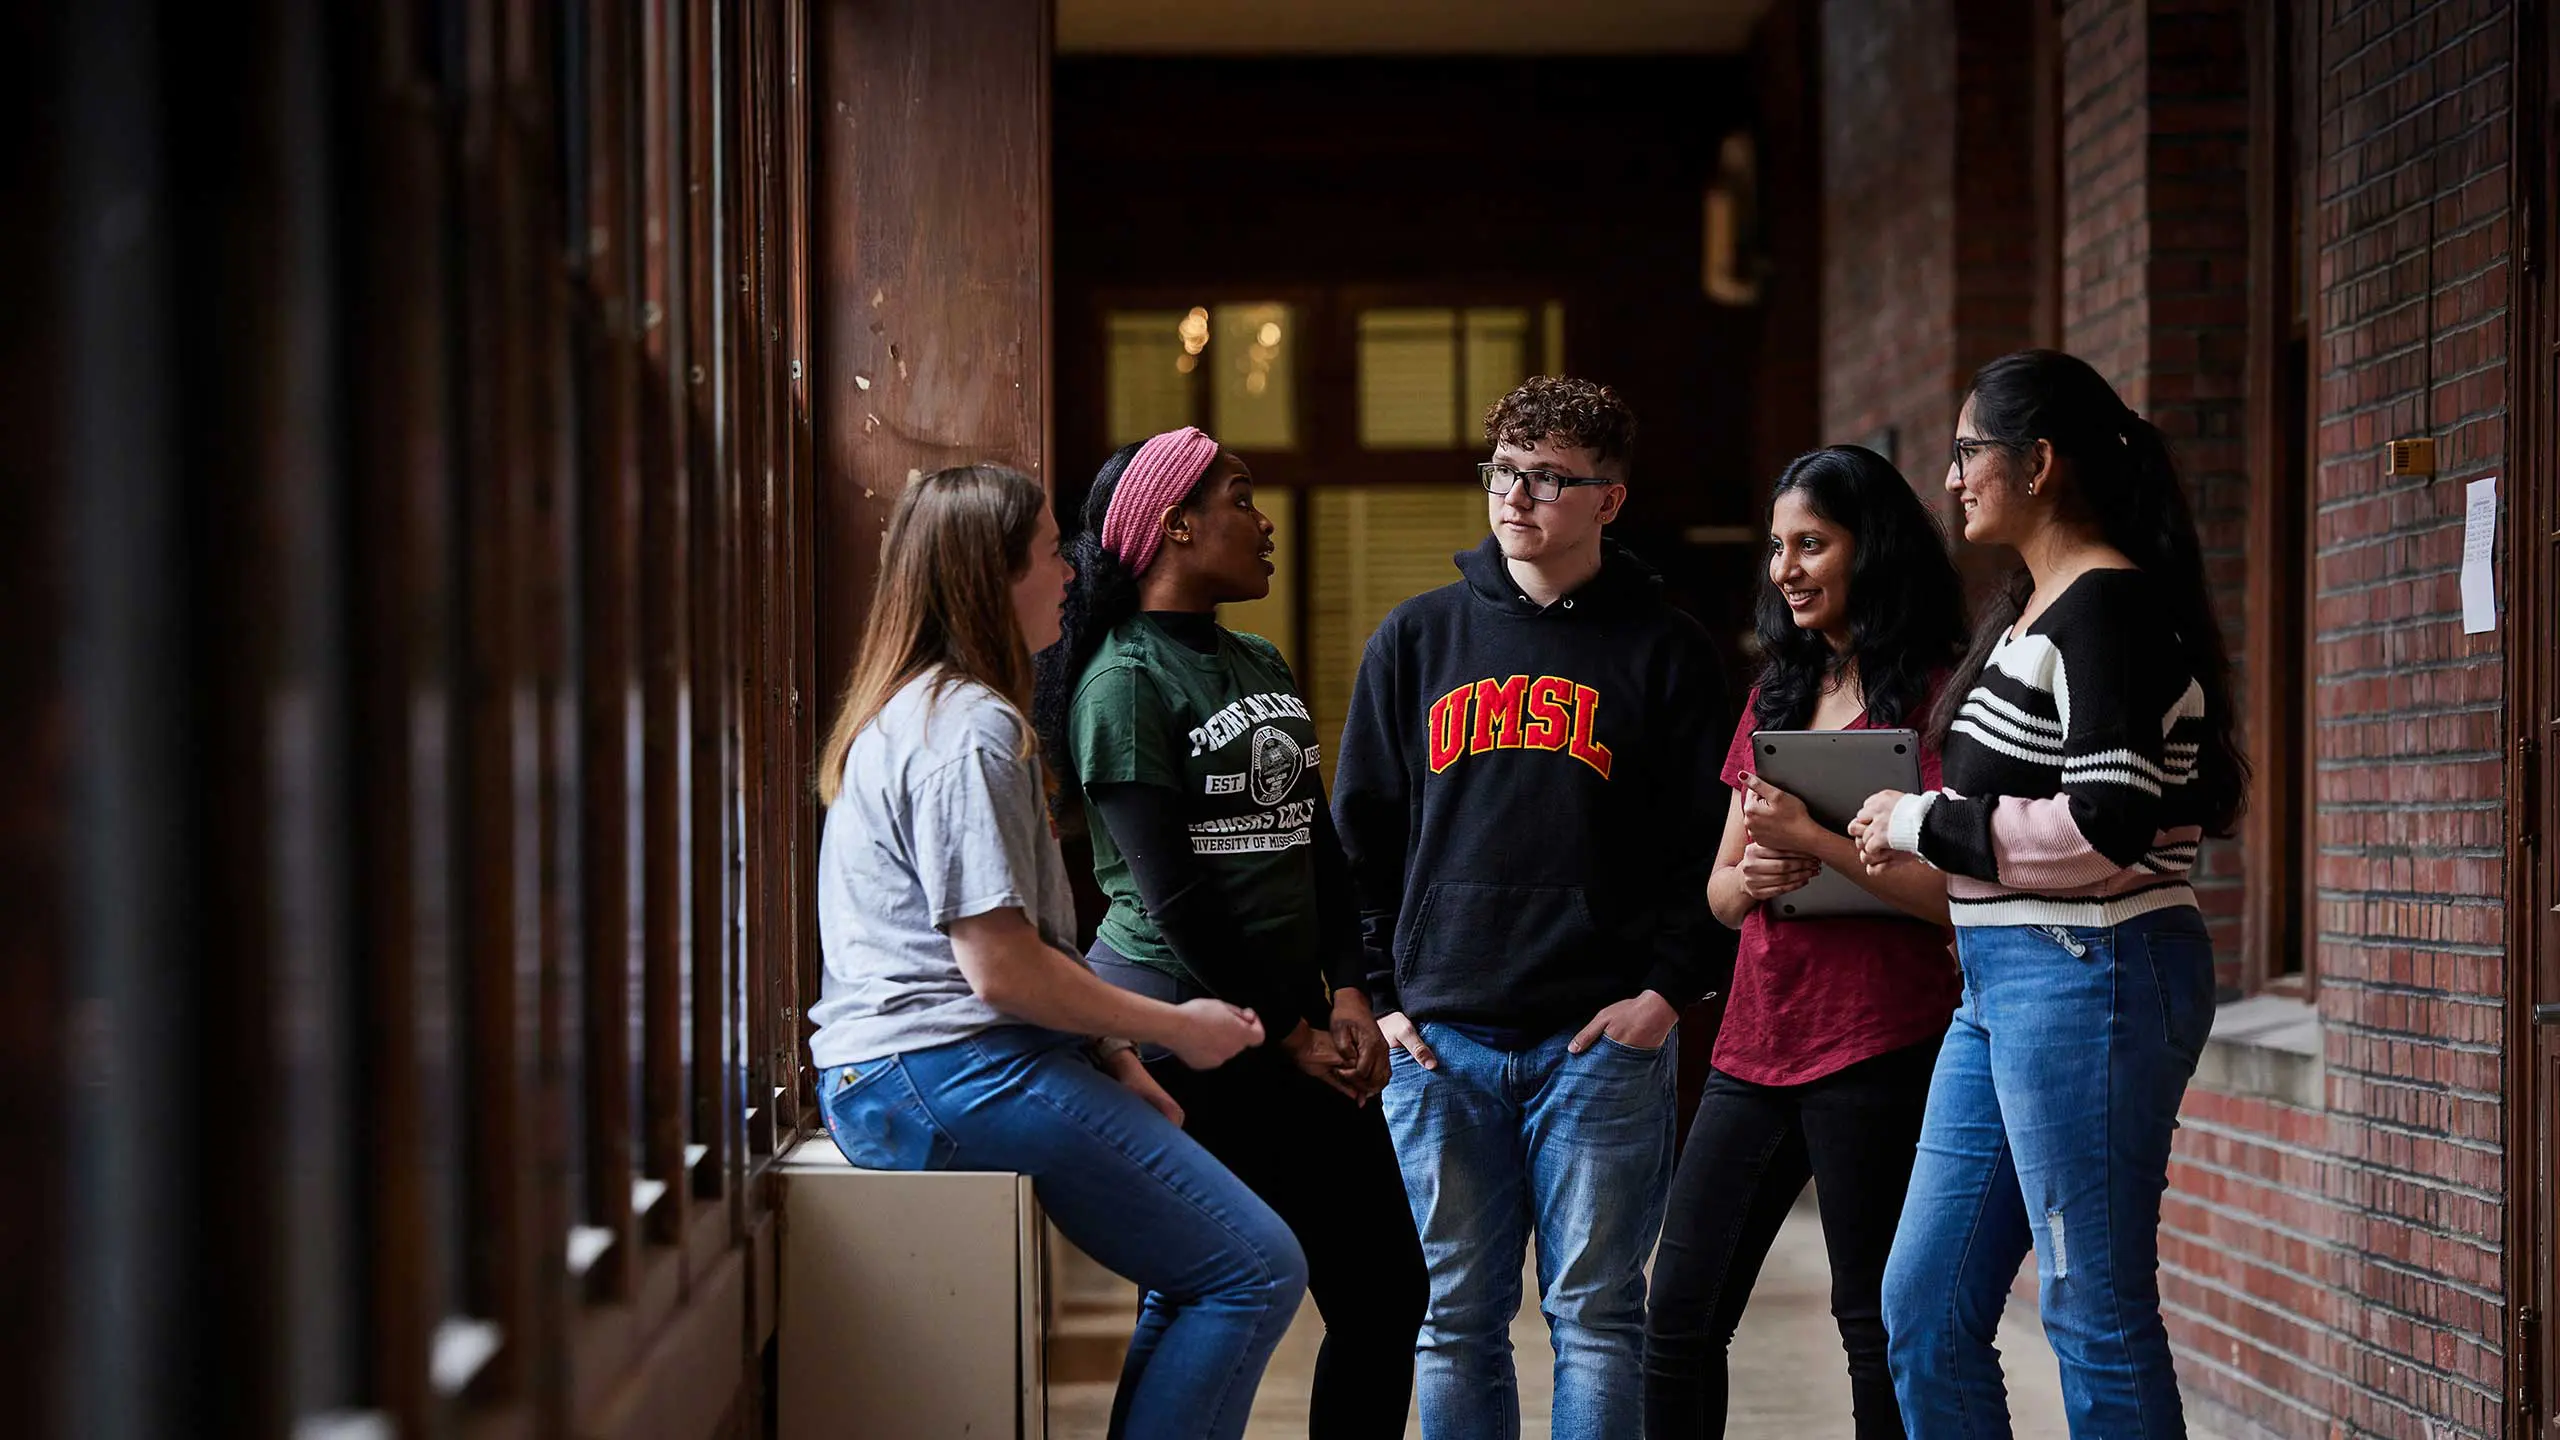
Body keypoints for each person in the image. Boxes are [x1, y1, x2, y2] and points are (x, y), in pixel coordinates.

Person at [807, 463, 1306, 1440]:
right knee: (1256, 1268)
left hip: (929, 1068)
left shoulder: (934, 709)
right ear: (990, 576)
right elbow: (1000, 970)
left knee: (1202, 1269)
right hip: (942, 1073)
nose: (1075, 571)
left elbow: (1020, 948)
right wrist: (1176, 1027)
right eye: (1047, 551)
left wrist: (1117, 1059)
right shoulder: (968, 729)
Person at [1849, 350, 2249, 1439]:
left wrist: (1921, 821)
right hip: (2003, 982)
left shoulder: (2106, 610)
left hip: (2093, 975)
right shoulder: (2034, 612)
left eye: (1969, 451)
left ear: (2038, 464)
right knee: (1921, 1306)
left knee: (2092, 1305)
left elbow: (2109, 822)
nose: (1950, 477)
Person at [1331, 376, 1729, 1440]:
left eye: (1550, 477)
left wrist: (1663, 994)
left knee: (1597, 1317)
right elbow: (1355, 844)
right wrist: (1381, 999)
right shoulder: (1414, 641)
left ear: (1609, 500)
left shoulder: (1669, 652)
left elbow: (1718, 847)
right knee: (1455, 1319)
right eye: (1505, 469)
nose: (1517, 495)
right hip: (1439, 1040)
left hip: (1598, 1039)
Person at [1032, 426, 1428, 1439]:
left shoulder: (1258, 658)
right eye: (1240, 498)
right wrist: (1290, 1029)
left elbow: (1314, 846)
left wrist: (1347, 990)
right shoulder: (1121, 681)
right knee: (1198, 1295)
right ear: (1175, 525)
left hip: (1293, 1019)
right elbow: (1176, 900)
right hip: (1190, 1031)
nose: (1262, 522)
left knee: (1384, 1293)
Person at [1641, 445, 1968, 1438]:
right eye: (1778, 547)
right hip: (1753, 1045)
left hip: (1879, 1040)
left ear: (1870, 551)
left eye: (1811, 544)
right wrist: (1756, 876)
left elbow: (1954, 899)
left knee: (1870, 1326)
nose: (1785, 568)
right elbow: (1717, 893)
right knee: (1678, 1320)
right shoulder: (1773, 698)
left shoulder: (1936, 701)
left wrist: (1813, 842)